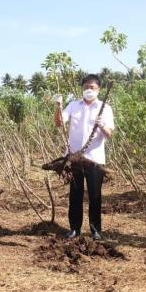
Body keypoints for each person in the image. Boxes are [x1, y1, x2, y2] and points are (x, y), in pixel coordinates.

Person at [54, 74, 114, 240]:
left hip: (95, 159)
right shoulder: (73, 106)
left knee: (95, 195)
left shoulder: (105, 108)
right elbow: (59, 123)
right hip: (74, 158)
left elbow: (109, 134)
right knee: (75, 194)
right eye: (86, 87)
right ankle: (74, 228)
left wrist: (102, 125)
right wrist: (58, 106)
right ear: (82, 88)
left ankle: (95, 230)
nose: (89, 90)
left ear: (99, 90)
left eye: (93, 88)